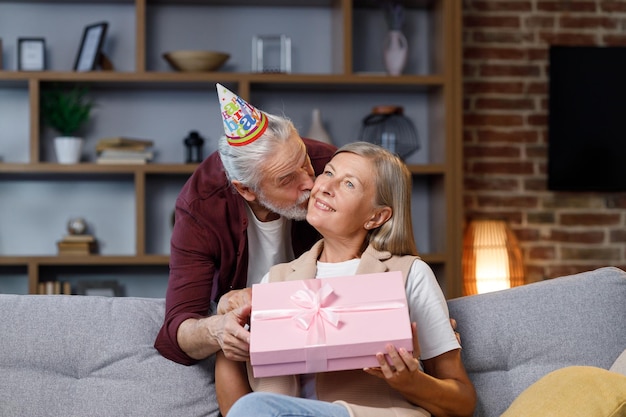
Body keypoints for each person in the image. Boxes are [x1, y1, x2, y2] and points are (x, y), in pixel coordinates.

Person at [216, 142, 477, 417]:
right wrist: (225, 332)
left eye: (349, 184)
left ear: (376, 216)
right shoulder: (276, 281)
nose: (326, 186)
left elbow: (462, 403)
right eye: (328, 173)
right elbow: (237, 408)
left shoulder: (409, 275)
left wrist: (410, 382)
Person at [154, 84, 336, 365]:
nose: (311, 184)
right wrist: (217, 330)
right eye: (287, 180)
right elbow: (178, 329)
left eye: (304, 162)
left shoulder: (331, 165)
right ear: (246, 190)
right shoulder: (200, 206)